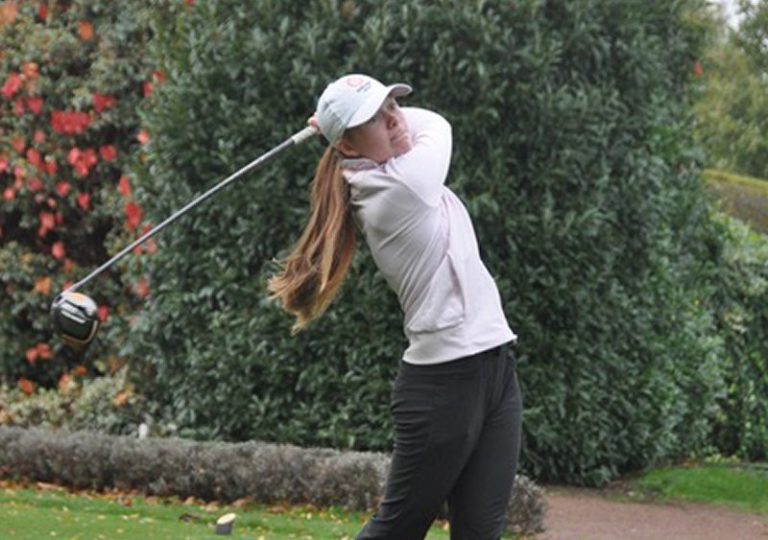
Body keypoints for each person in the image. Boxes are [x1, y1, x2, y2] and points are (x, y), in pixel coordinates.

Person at [268, 73, 523, 540]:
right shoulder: (402, 187)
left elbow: (411, 126)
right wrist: (333, 128)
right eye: (374, 119)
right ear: (347, 146)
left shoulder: (388, 171)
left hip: (495, 371)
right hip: (444, 386)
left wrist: (340, 126)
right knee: (398, 530)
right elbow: (438, 124)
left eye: (392, 106)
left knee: (481, 534)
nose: (393, 121)